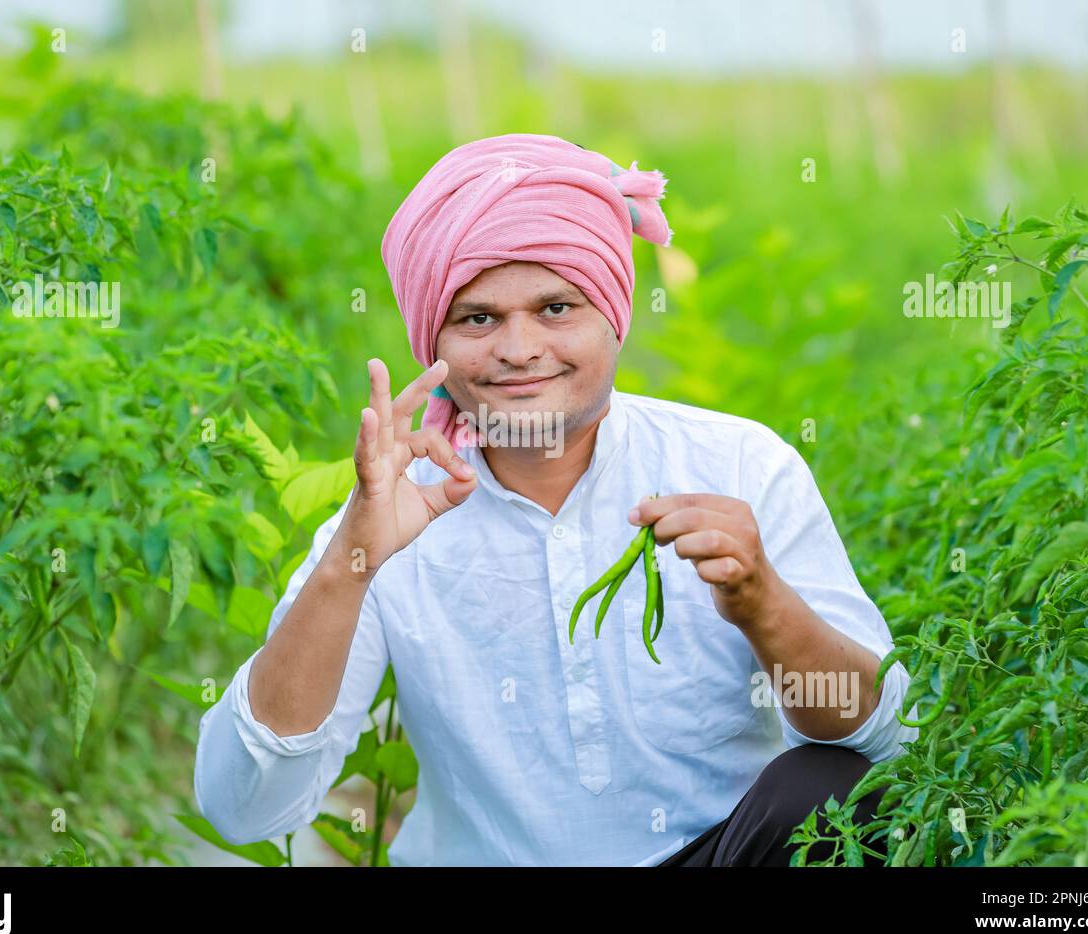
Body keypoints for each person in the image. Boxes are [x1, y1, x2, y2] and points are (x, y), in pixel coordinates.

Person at [193, 133, 918, 866]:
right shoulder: (390, 516)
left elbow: (886, 736)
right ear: (432, 341)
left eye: (555, 308)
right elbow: (242, 808)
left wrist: (766, 608)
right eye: (478, 318)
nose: (519, 348)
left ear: (613, 316)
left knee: (829, 787)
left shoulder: (738, 465)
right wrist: (348, 569)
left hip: (715, 855)